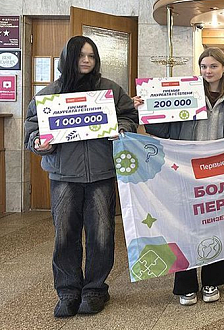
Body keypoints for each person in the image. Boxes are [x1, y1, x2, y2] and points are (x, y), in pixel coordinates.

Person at [133, 47, 224, 306]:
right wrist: (145, 110)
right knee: (184, 228)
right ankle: (186, 284)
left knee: (219, 225)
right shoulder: (187, 95)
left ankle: (213, 280)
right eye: (204, 67)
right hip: (187, 175)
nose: (208, 71)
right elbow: (164, 129)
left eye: (213, 66)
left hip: (221, 178)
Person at [24, 36, 138, 317]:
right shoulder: (49, 94)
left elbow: (129, 115)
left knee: (101, 233)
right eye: (80, 56)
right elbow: (31, 129)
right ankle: (67, 290)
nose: (86, 61)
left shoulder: (110, 90)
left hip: (101, 173)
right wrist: (39, 142)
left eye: (91, 56)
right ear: (68, 59)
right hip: (63, 175)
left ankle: (96, 289)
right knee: (65, 235)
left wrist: (120, 129)